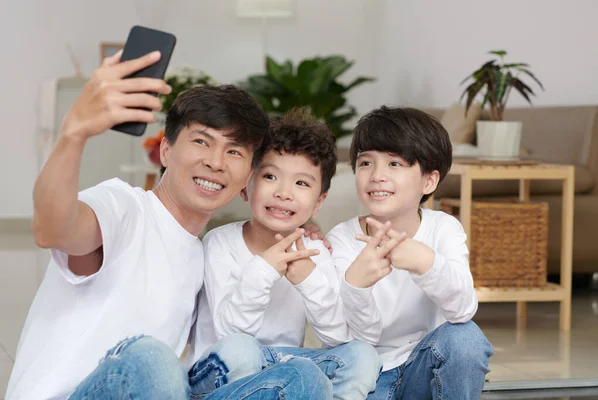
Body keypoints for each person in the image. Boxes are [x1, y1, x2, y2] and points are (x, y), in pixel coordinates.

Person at [6, 50, 332, 400]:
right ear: (165, 151)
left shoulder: (200, 253)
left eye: (234, 152)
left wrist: (302, 225)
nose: (215, 162)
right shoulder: (127, 208)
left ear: (248, 177)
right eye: (201, 142)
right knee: (153, 360)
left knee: (301, 378)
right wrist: (74, 134)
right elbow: (53, 229)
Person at [184, 109, 382, 399]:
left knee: (362, 355)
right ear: (245, 186)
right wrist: (262, 270)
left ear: (318, 202)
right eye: (270, 176)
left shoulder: (315, 253)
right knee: (243, 349)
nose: (284, 192)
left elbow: (337, 337)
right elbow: (230, 332)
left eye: (301, 183)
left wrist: (309, 280)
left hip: (284, 366)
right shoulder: (221, 243)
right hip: (220, 370)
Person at [325, 106, 494, 399]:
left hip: (424, 367)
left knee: (466, 337)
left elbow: (463, 309)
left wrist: (426, 264)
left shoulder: (444, 228)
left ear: (428, 181)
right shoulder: (342, 239)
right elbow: (355, 341)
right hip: (367, 375)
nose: (377, 175)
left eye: (395, 164)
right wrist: (357, 286)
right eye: (366, 163)